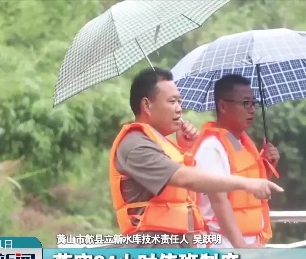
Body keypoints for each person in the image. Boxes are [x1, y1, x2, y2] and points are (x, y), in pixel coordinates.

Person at [109, 67, 283, 248]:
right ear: (146, 105)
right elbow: (183, 178)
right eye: (172, 101)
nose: (179, 109)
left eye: (179, 101)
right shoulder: (135, 145)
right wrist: (246, 183)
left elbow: (184, 190)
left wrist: (186, 148)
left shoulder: (162, 144)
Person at [192, 74, 281, 248]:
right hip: (222, 246)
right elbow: (219, 200)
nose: (252, 109)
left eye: (253, 103)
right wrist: (241, 247)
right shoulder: (212, 147)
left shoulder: (243, 145)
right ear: (223, 106)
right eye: (245, 103)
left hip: (250, 243)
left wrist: (268, 168)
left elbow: (249, 197)